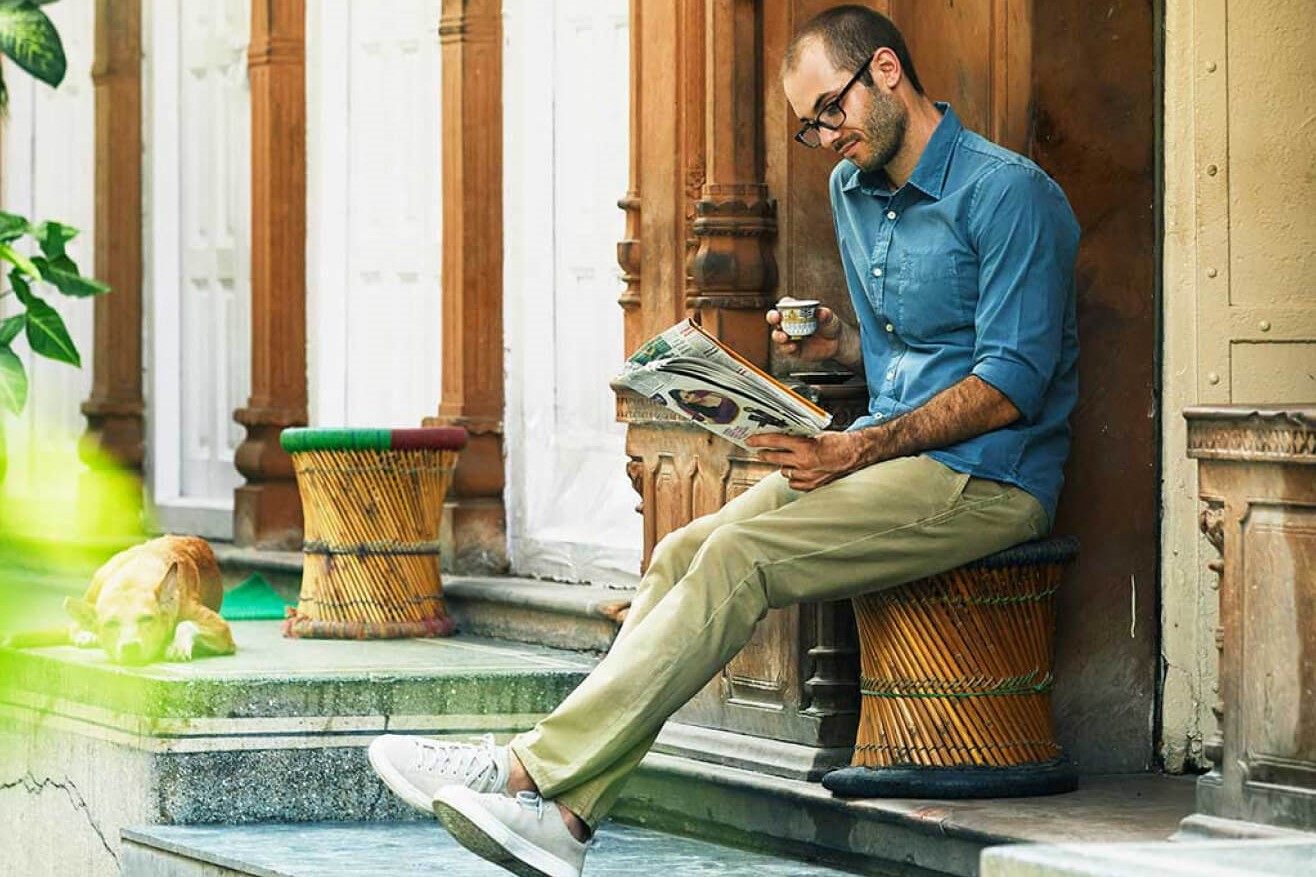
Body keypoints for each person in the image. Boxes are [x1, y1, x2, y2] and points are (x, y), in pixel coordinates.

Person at [366, 6, 1079, 876]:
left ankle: (524, 767)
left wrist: (853, 452)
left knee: (738, 553)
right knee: (679, 550)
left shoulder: (1010, 195)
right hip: (886, 454)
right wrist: (835, 351)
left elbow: (1010, 385)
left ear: (887, 71)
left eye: (829, 111)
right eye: (808, 125)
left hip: (986, 478)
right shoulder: (853, 191)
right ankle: (566, 820)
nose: (823, 137)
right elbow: (915, 352)